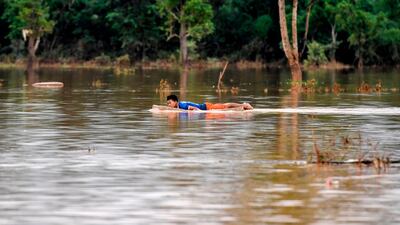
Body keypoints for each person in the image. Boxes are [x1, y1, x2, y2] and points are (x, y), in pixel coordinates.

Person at [166, 94, 253, 110]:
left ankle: (244, 105)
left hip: (207, 108)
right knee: (225, 106)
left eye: (170, 103)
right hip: (206, 106)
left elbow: (193, 108)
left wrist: (201, 113)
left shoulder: (182, 105)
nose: (169, 105)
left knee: (225, 106)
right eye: (167, 103)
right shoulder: (179, 106)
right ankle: (243, 105)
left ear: (175, 101)